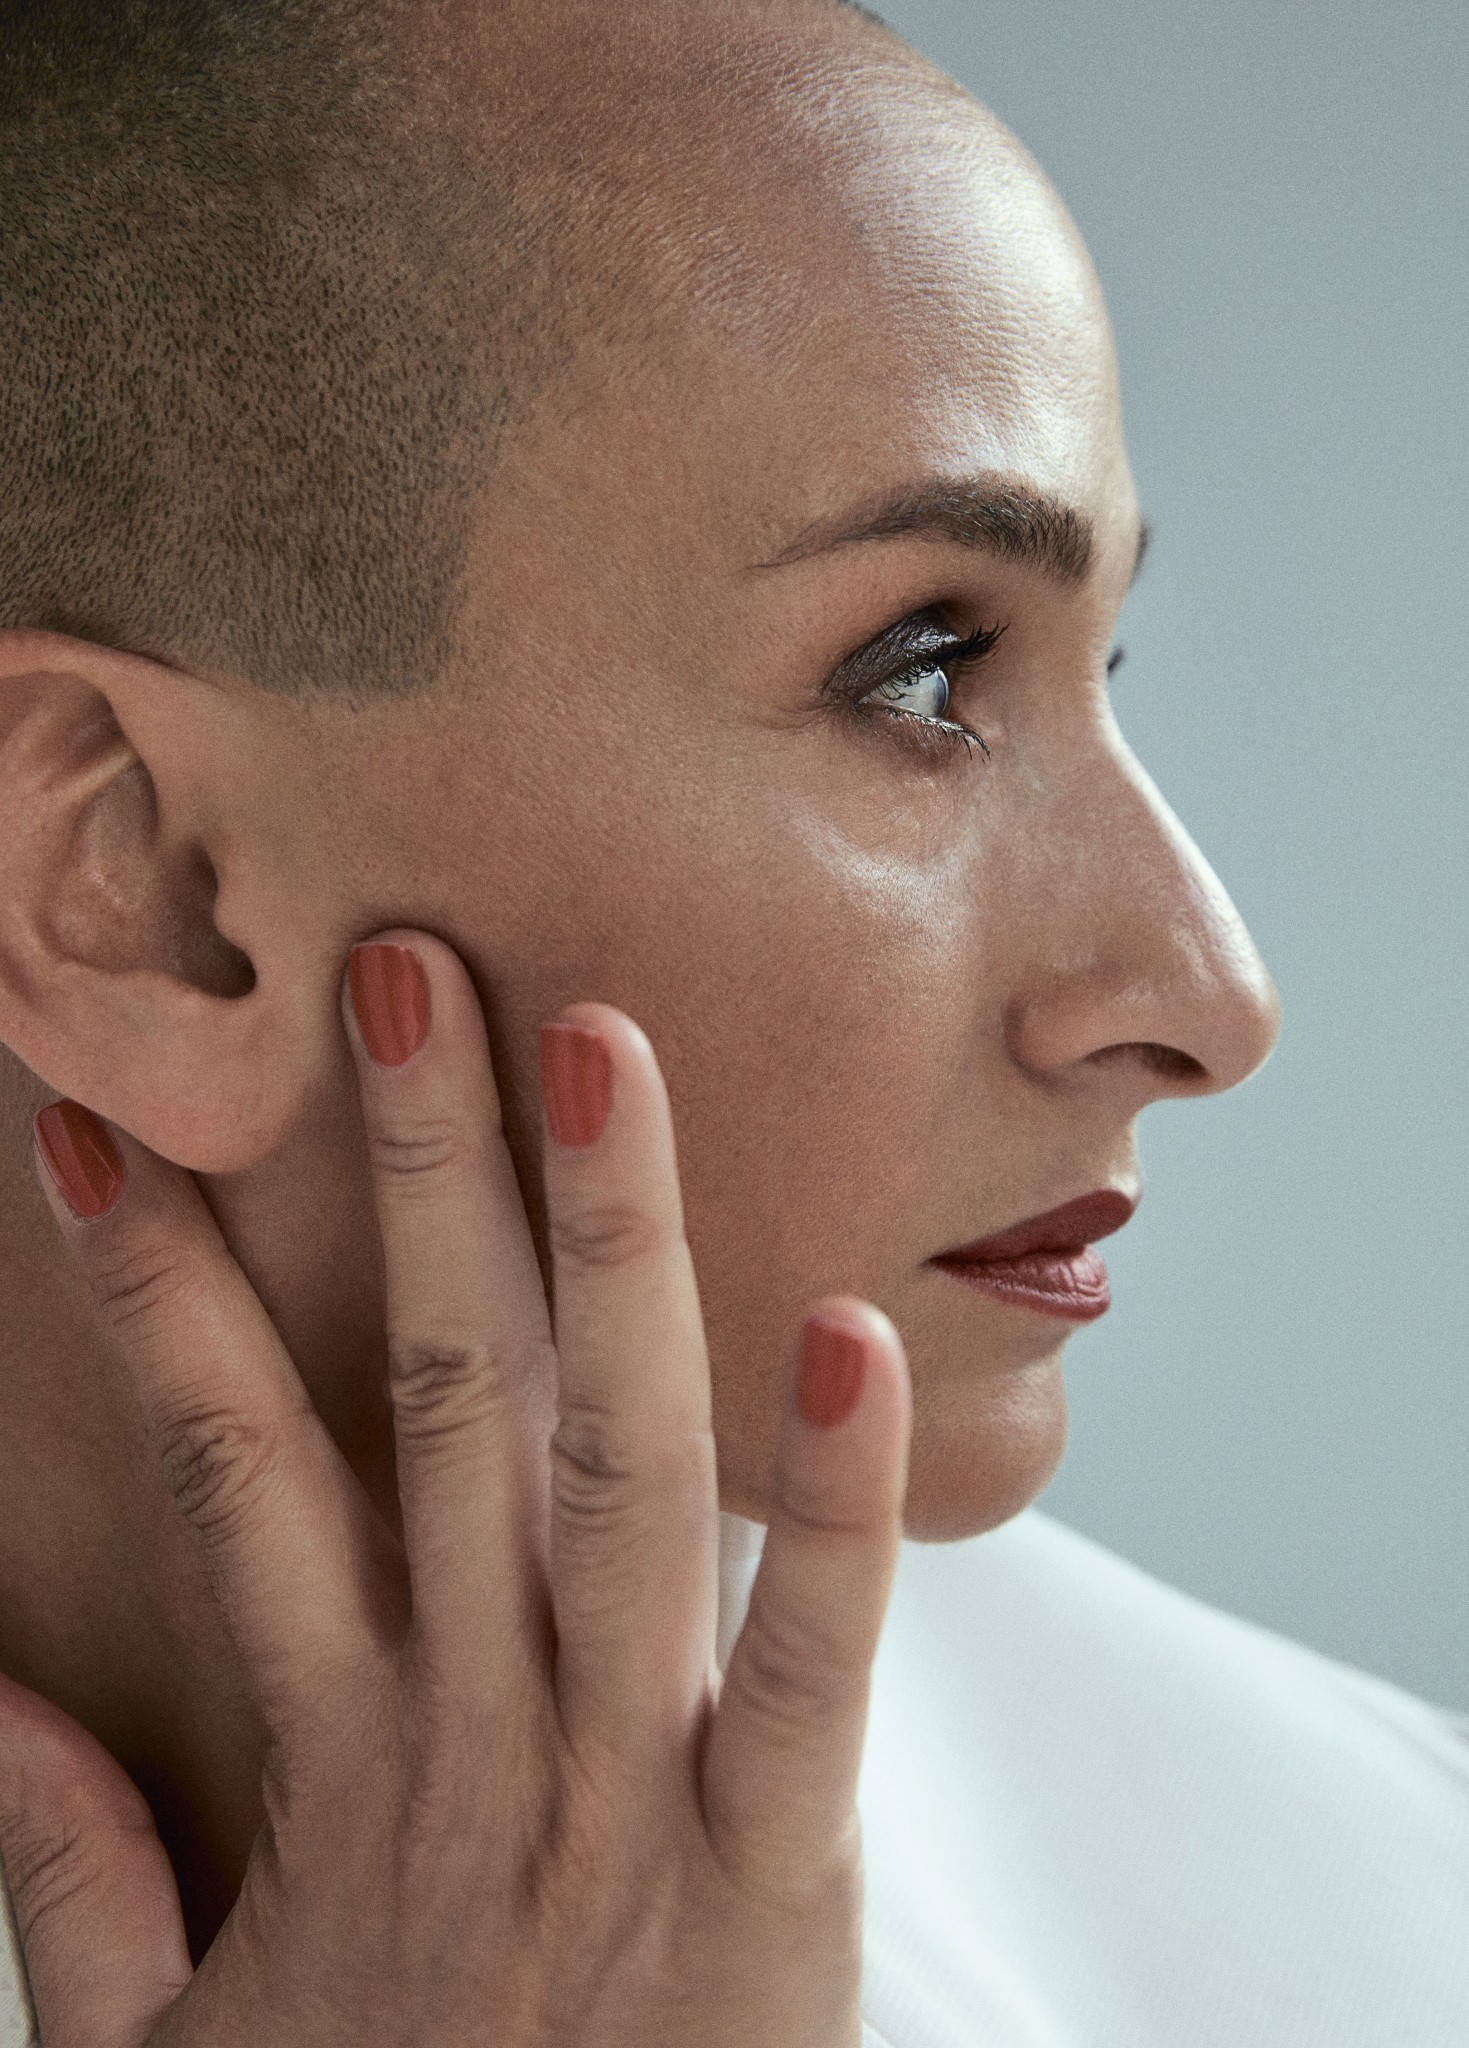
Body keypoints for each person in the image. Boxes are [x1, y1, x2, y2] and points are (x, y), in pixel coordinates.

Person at [1, 0, 1466, 2042]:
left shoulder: (1381, 1917)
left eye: (1103, 661)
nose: (1210, 998)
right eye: (925, 672)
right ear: (144, 887)